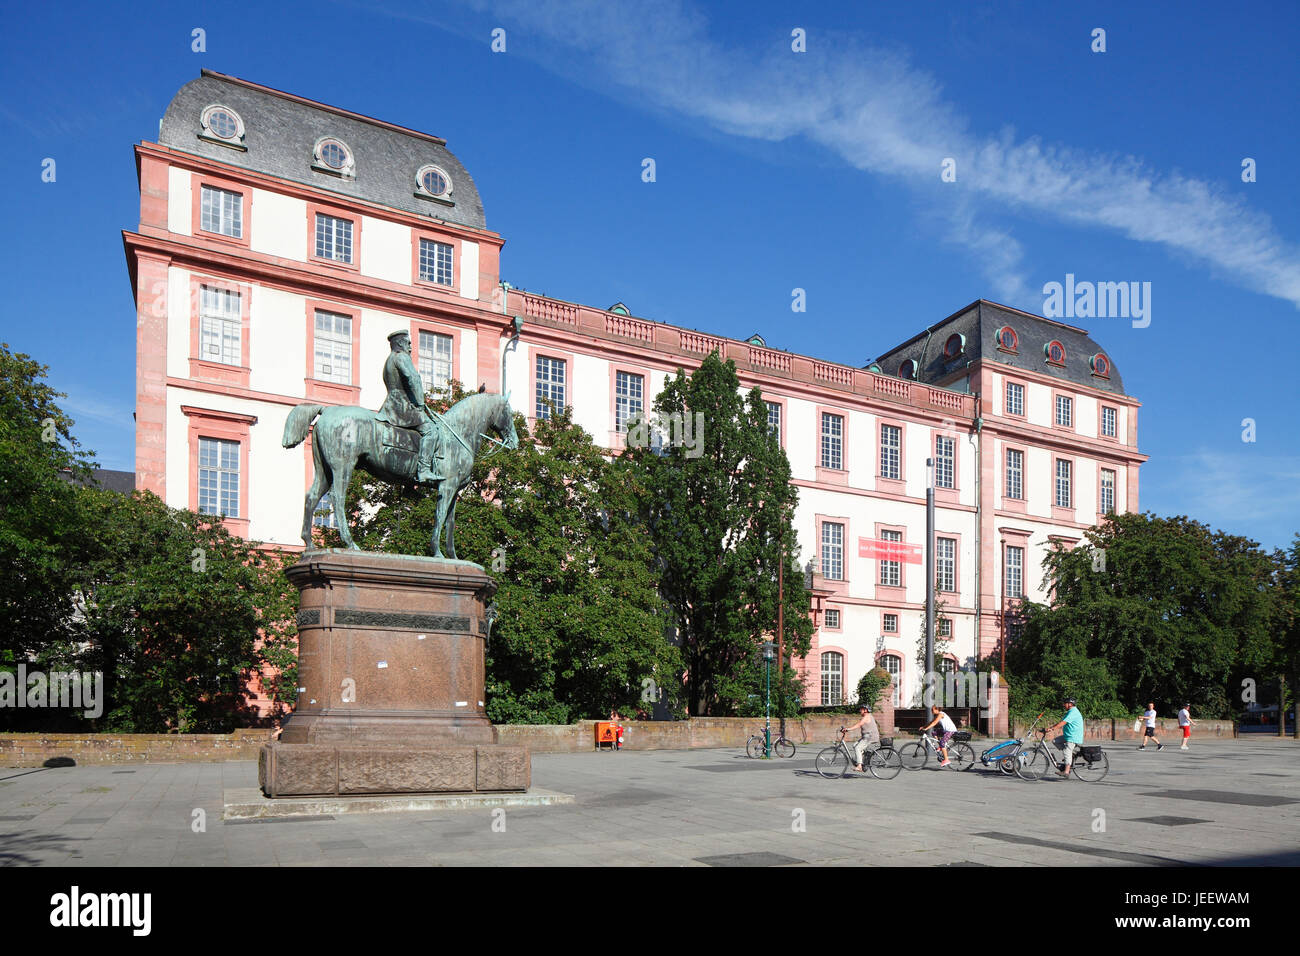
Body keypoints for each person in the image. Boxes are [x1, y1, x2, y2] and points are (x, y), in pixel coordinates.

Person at [376, 330, 445, 485]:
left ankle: (407, 484)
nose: (411, 348)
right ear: (400, 344)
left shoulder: (389, 360)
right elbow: (413, 378)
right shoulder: (401, 357)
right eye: (408, 343)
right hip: (403, 406)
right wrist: (420, 403)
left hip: (391, 404)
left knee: (410, 439)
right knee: (432, 432)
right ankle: (424, 470)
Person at [1042, 697, 1084, 776]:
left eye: (1065, 703)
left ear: (1070, 704)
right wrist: (1050, 728)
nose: (1064, 705)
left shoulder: (1073, 712)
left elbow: (1063, 723)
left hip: (1073, 736)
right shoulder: (1070, 712)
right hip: (1068, 735)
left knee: (1067, 751)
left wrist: (1052, 729)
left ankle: (1066, 772)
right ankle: (1071, 755)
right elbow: (1060, 722)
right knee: (1055, 741)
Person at [846, 705, 880, 773]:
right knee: (855, 745)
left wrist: (848, 729)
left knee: (857, 748)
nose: (860, 711)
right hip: (867, 736)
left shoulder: (866, 716)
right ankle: (863, 760)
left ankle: (859, 766)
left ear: (865, 710)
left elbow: (859, 724)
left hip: (870, 737)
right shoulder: (867, 716)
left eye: (861, 709)